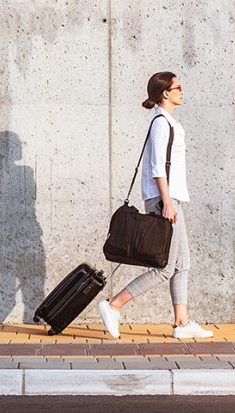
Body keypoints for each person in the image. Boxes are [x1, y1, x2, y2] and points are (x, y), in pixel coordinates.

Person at [97, 72, 213, 339]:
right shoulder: (162, 123)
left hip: (170, 200)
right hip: (164, 200)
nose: (182, 91)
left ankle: (181, 323)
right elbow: (157, 167)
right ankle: (114, 305)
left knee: (182, 263)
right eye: (178, 87)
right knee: (164, 268)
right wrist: (167, 202)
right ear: (165, 93)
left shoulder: (169, 122)